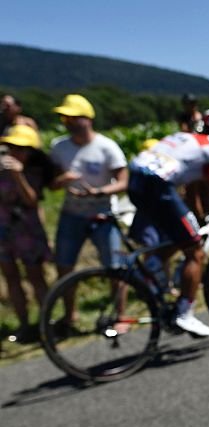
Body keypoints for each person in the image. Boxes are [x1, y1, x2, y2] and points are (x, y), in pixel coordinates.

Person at [126, 108, 209, 337]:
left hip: (136, 180)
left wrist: (198, 218)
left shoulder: (187, 138)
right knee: (196, 252)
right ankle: (184, 313)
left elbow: (192, 191)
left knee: (182, 238)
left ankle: (146, 274)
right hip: (158, 185)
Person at [48, 94, 129, 330]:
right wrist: (63, 180)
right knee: (64, 266)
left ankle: (121, 317)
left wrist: (99, 191)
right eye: (65, 118)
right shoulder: (59, 147)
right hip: (71, 213)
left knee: (115, 267)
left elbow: (123, 182)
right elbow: (51, 183)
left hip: (103, 213)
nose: (67, 122)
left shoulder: (106, 147)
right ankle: (69, 315)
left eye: (73, 117)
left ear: (87, 118)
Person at [0, 125, 56, 343]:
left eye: (21, 148)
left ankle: (47, 323)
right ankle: (24, 325)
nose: (15, 152)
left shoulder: (35, 170)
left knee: (36, 275)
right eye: (11, 146)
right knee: (11, 276)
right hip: (4, 228)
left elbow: (31, 199)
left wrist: (17, 175)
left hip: (28, 229)